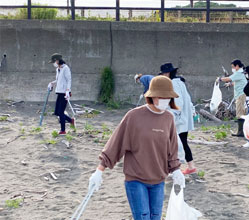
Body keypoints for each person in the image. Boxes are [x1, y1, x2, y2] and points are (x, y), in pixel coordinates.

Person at [88, 76, 185, 220]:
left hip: (158, 179)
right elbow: (116, 143)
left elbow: (171, 149)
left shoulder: (168, 118)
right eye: (162, 96)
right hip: (136, 179)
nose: (166, 100)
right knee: (143, 216)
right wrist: (99, 171)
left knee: (155, 217)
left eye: (168, 97)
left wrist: (176, 170)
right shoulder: (134, 116)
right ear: (152, 96)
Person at [159, 63, 196, 175]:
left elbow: (178, 102)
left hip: (177, 119)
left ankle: (176, 169)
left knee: (174, 144)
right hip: (183, 118)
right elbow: (187, 100)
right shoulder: (180, 82)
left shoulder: (173, 84)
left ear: (167, 73)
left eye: (163, 74)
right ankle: (191, 167)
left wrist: (173, 115)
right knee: (183, 142)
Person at [47, 53, 74, 135]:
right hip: (59, 92)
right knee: (57, 112)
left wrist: (68, 91)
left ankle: (63, 130)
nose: (53, 64)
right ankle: (71, 120)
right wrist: (52, 83)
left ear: (57, 60)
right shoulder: (58, 69)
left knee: (61, 112)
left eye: (54, 62)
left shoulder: (65, 68)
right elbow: (58, 80)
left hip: (65, 93)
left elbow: (69, 80)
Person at [220, 59, 247, 137]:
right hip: (241, 95)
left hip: (241, 95)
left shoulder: (239, 73)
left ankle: (240, 132)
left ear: (237, 66)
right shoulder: (241, 73)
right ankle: (242, 131)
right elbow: (236, 81)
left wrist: (220, 79)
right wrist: (230, 84)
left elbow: (228, 78)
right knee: (241, 112)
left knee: (240, 114)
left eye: (233, 67)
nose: (232, 69)